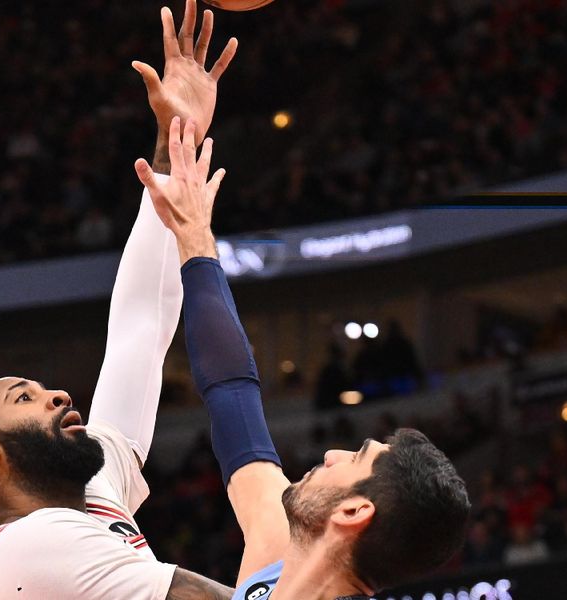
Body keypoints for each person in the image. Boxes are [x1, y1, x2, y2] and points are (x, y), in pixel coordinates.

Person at [0, 2, 238, 598]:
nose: (58, 393)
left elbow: (141, 325)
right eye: (24, 397)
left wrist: (174, 141)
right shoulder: (27, 546)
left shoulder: (95, 495)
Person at [135, 119, 472, 599]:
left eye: (355, 457)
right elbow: (232, 393)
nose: (331, 454)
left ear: (353, 512)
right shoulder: (277, 552)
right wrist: (193, 237)